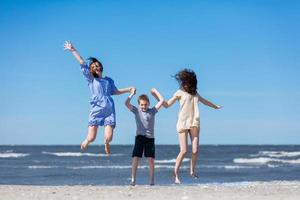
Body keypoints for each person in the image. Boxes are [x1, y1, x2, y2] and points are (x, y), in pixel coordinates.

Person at [64, 41, 135, 154]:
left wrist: (128, 89)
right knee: (92, 138)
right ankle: (87, 140)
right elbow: (82, 62)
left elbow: (115, 91)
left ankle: (106, 143)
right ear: (91, 70)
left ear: (101, 66)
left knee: (109, 137)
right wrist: (73, 50)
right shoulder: (91, 79)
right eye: (93, 66)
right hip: (96, 109)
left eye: (97, 65)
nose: (95, 67)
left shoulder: (109, 80)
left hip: (109, 110)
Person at [154, 69, 221, 184]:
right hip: (183, 123)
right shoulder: (179, 92)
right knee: (184, 150)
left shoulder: (195, 93)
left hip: (194, 123)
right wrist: (157, 94)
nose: (185, 83)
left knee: (195, 150)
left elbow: (205, 101)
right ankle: (175, 174)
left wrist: (215, 106)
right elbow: (167, 105)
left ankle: (192, 171)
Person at [125, 88, 164, 186]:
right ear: (139, 104)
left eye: (145, 104)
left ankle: (152, 180)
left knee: (151, 160)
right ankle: (133, 179)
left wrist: (155, 91)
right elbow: (126, 103)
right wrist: (131, 94)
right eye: (142, 104)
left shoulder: (153, 111)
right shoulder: (136, 111)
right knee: (136, 158)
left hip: (150, 139)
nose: (143, 106)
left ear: (149, 104)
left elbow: (162, 101)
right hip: (139, 138)